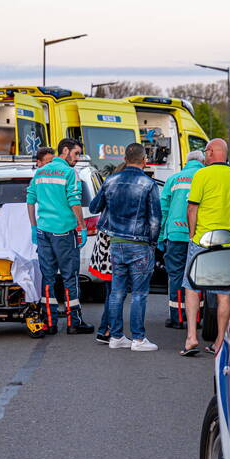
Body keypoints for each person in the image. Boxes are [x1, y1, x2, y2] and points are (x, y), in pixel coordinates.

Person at [182, 138, 230, 356]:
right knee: (223, 293)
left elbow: (192, 208)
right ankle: (220, 342)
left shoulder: (201, 175)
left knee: (192, 288)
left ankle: (191, 337)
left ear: (212, 152)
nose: (204, 156)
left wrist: (192, 234)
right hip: (228, 243)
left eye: (206, 151)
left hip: (202, 240)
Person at [88, 143, 162, 352]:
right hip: (139, 244)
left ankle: (117, 336)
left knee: (117, 293)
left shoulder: (110, 180)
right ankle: (138, 339)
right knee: (139, 293)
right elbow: (155, 219)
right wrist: (153, 242)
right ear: (144, 159)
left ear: (125, 157)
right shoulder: (148, 184)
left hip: (115, 244)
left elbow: (94, 207)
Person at [26, 138, 93, 336]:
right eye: (76, 153)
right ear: (65, 151)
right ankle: (74, 322)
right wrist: (81, 226)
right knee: (69, 277)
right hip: (64, 232)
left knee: (47, 277)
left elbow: (30, 200)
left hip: (44, 232)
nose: (77, 158)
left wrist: (33, 227)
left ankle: (49, 322)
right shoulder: (69, 173)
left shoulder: (40, 172)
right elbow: (74, 201)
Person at [158, 150, 204, 329]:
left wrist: (161, 236)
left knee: (176, 275)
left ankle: (177, 318)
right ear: (201, 161)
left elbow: (164, 209)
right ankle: (196, 317)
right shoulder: (203, 178)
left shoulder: (174, 179)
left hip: (175, 234)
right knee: (196, 277)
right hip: (198, 235)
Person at [88, 162, 125, 344]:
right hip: (118, 240)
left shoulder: (109, 184)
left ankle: (105, 329)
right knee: (116, 291)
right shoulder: (134, 186)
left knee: (112, 289)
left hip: (105, 240)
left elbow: (94, 207)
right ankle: (107, 330)